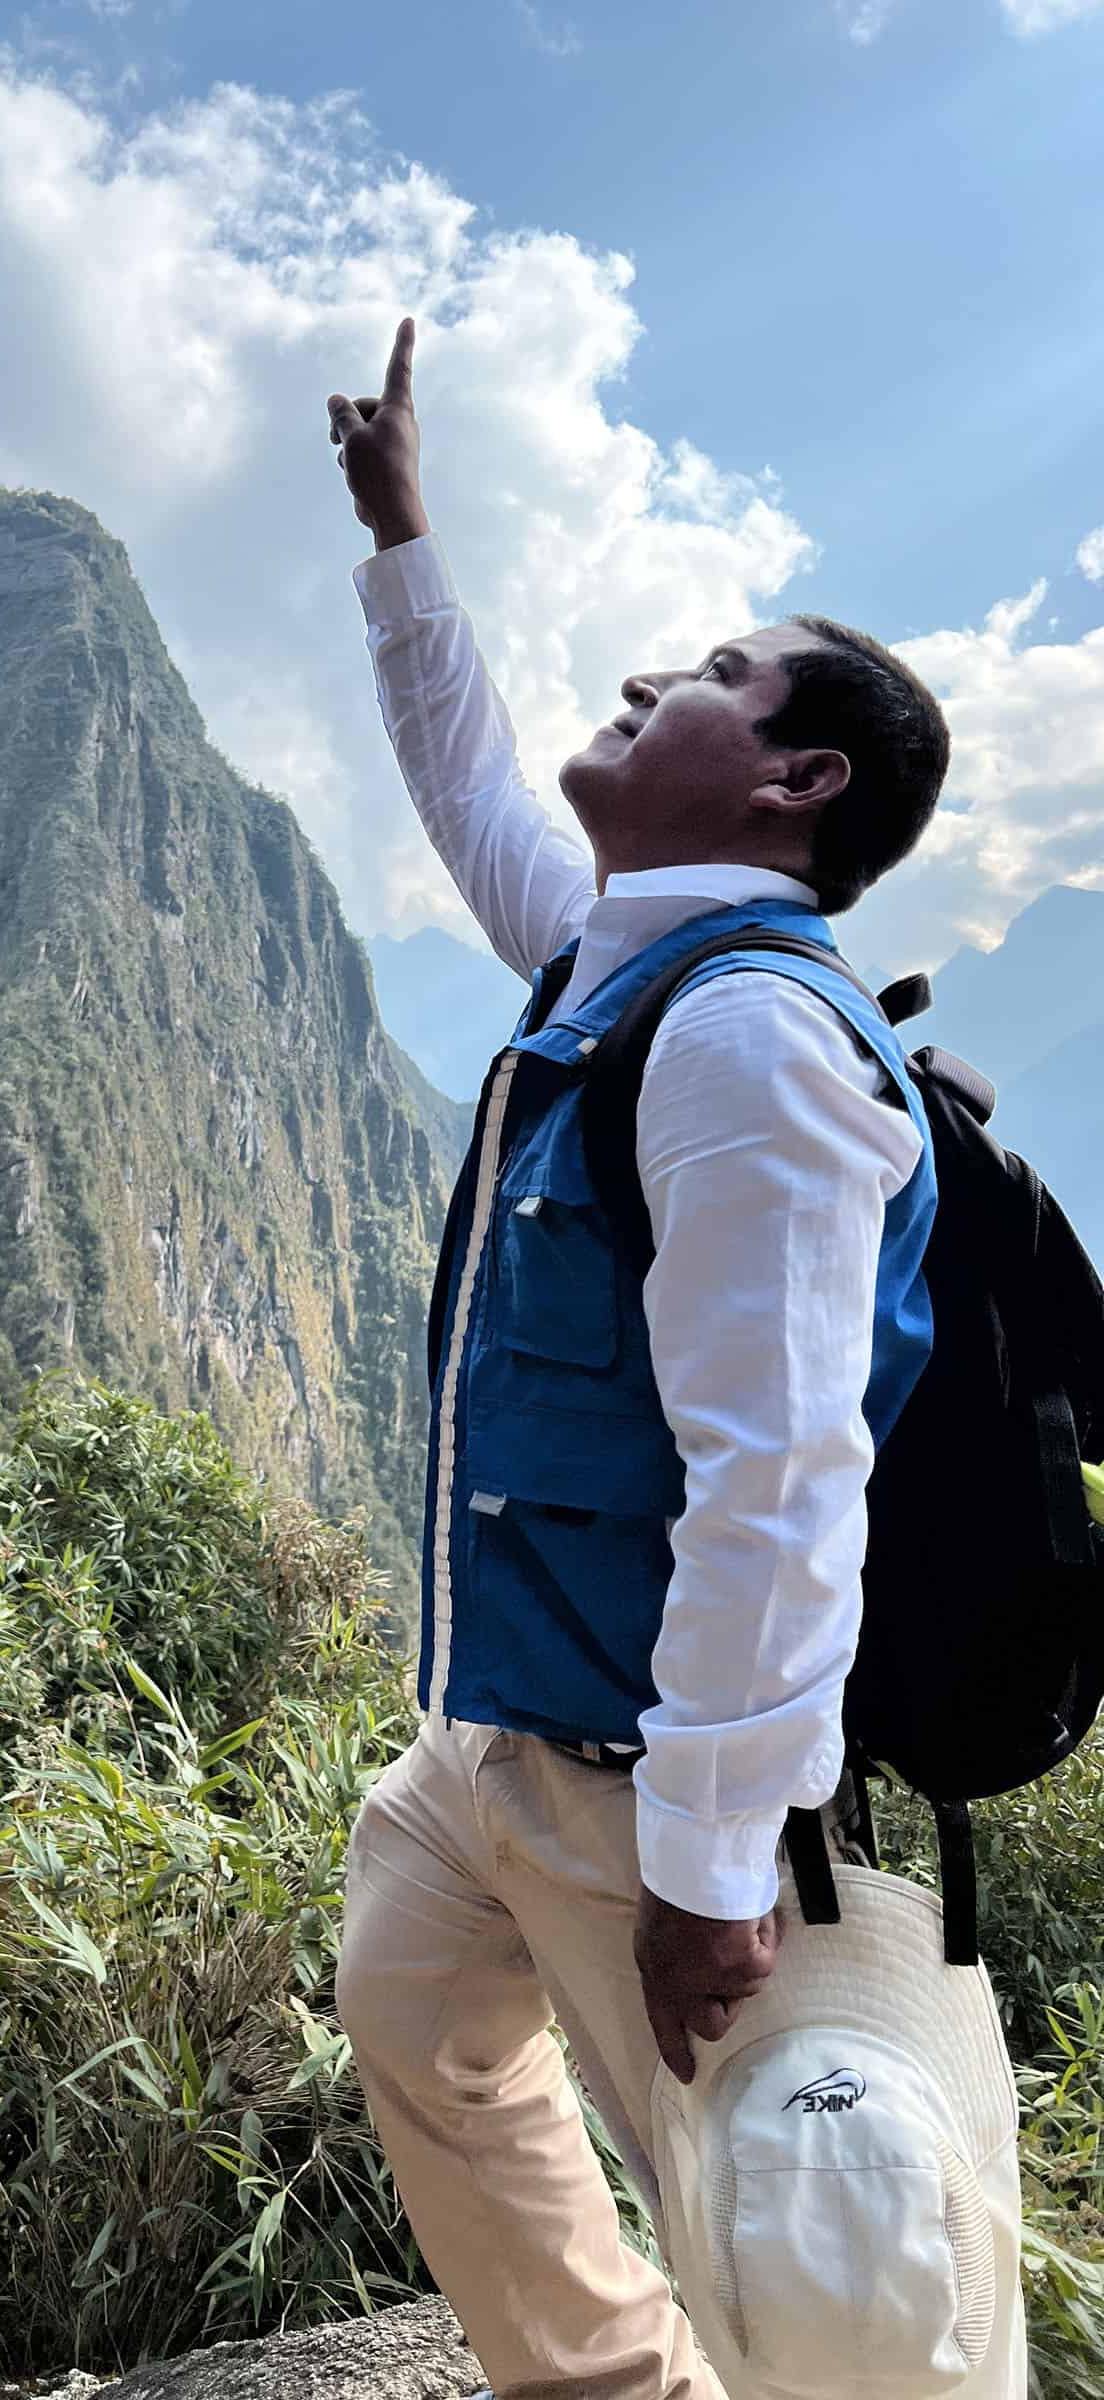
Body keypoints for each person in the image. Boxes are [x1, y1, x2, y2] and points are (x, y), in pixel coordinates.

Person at [327, 319, 1024, 2399]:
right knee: (407, 1993)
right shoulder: (624, 977)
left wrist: (717, 1877)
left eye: (713, 678)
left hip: (662, 1798)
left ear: (799, 779)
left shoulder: (744, 1040)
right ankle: (608, 2380)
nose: (649, 680)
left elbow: (783, 1477)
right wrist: (403, 541)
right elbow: (467, 793)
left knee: (822, 2272)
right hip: (515, 1749)